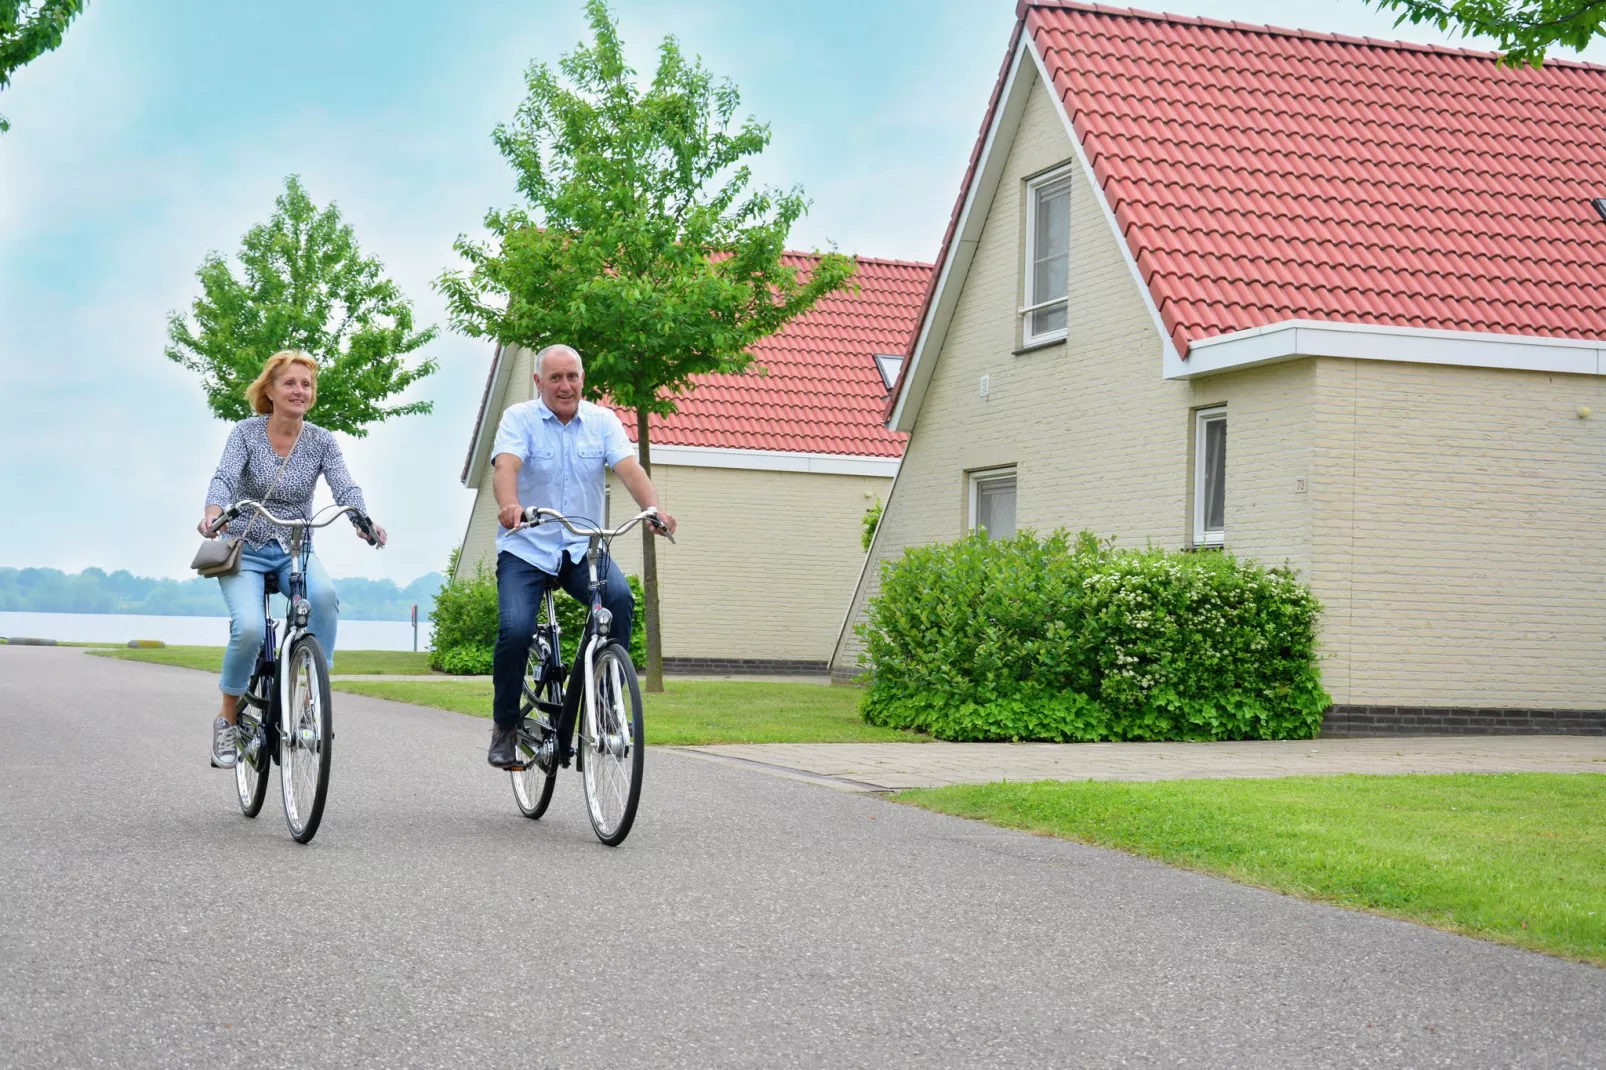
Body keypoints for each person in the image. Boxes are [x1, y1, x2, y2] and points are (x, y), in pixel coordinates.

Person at [487, 343, 675, 769]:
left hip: (580, 546)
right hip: (527, 546)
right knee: (516, 630)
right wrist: (510, 505)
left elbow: (629, 468)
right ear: (539, 382)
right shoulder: (520, 419)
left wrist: (653, 509)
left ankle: (605, 702)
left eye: (572, 376)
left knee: (620, 600)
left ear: (583, 379)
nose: (565, 385)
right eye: (555, 378)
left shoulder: (602, 421)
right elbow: (506, 467)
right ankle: (506, 727)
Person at [199, 350, 386, 768]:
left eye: (307, 385)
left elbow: (344, 486)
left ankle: (308, 692)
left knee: (323, 598)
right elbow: (226, 477)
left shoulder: (321, 441)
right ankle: (227, 719)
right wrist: (214, 511)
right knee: (247, 628)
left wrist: (362, 519)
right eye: (291, 383)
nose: (300, 390)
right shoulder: (245, 433)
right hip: (244, 547)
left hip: (296, 548)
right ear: (270, 390)